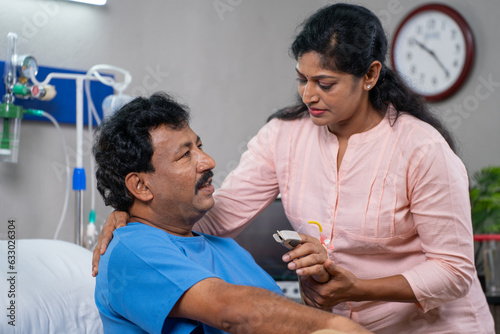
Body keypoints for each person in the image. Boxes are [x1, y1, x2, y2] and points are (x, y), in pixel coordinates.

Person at [93, 4, 495, 333]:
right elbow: (218, 214)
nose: (308, 95)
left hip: (434, 326)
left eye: (325, 83)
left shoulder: (420, 148)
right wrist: (132, 214)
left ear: (370, 75)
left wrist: (359, 288)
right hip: (341, 326)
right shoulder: (285, 136)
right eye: (302, 79)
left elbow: (455, 270)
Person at [92, 92, 370, 334]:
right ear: (140, 185)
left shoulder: (228, 250)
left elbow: (277, 321)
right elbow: (232, 312)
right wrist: (342, 328)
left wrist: (317, 283)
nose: (208, 161)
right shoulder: (132, 250)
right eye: (185, 155)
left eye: (199, 146)